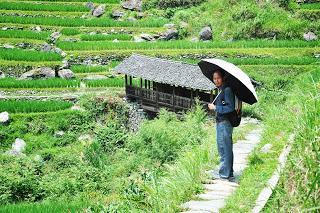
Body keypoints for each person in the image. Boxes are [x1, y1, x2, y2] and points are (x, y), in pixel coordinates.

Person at [208, 69, 235, 182]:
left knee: (225, 148)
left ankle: (224, 174)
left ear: (222, 78)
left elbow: (230, 108)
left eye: (218, 78)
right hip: (221, 122)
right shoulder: (220, 90)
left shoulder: (227, 90)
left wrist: (216, 108)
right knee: (224, 148)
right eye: (214, 78)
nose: (216, 80)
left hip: (225, 123)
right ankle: (228, 172)